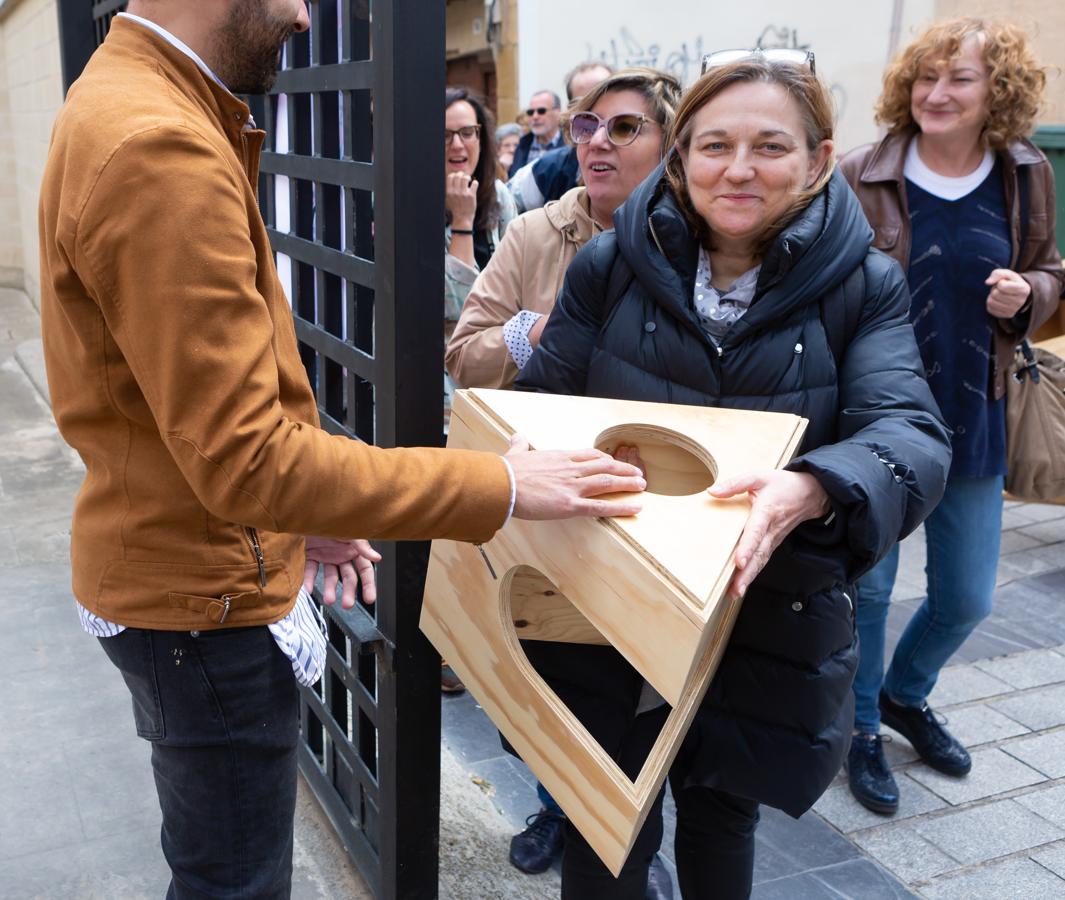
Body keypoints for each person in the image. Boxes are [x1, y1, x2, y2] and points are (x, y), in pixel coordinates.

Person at [37, 3, 649, 896]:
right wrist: (500, 486)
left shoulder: (131, 106)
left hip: (183, 573)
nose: (299, 13)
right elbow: (246, 459)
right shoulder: (154, 145)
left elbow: (179, 413)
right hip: (201, 605)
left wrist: (303, 520)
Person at [516, 49, 952, 898]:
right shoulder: (611, 267)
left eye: (770, 146)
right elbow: (543, 405)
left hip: (761, 608)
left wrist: (817, 483)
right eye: (713, 145)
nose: (738, 169)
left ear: (819, 158)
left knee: (722, 819)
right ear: (681, 158)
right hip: (611, 596)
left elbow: (908, 432)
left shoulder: (863, 287)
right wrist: (572, 456)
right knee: (604, 830)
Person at [448, 68, 682, 899]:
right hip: (557, 502)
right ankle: (563, 808)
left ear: (668, 144)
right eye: (587, 126)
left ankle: (627, 842)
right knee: (562, 679)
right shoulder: (537, 233)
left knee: (645, 692)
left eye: (623, 129)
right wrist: (527, 333)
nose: (594, 144)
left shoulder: (698, 237)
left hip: (663, 508)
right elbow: (461, 352)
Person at [839, 17, 1063, 816]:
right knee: (867, 593)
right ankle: (860, 729)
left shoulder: (1023, 171)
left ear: (993, 93)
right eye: (926, 77)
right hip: (876, 421)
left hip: (975, 411)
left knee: (967, 597)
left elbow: (1047, 270)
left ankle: (905, 693)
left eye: (958, 79)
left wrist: (1028, 296)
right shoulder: (862, 172)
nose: (936, 93)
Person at [508, 61, 615, 214]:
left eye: (603, 99)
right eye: (584, 105)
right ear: (571, 112)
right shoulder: (549, 168)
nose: (598, 139)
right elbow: (501, 204)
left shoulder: (645, 162)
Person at [509, 89, 565, 176]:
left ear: (557, 112)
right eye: (531, 112)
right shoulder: (523, 144)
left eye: (541, 111)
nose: (535, 116)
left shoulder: (570, 145)